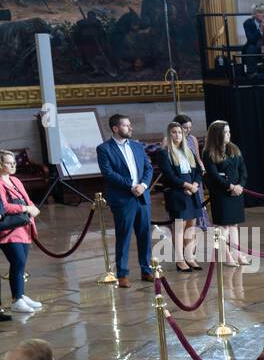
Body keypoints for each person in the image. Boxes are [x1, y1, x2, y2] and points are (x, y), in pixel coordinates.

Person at [95, 113, 153, 288]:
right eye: (127, 125)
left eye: (130, 124)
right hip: (123, 199)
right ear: (116, 128)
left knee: (145, 235)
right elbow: (108, 173)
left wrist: (142, 185)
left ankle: (146, 270)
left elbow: (148, 168)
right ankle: (122, 274)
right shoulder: (104, 149)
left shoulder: (137, 146)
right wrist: (131, 185)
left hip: (142, 196)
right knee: (124, 236)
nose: (131, 128)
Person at [0, 148, 41, 314]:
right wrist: (25, 208)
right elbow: (5, 207)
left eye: (13, 162)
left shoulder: (15, 180)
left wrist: (32, 207)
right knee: (17, 261)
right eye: (8, 162)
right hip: (10, 230)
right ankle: (17, 300)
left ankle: (21, 295)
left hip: (24, 226)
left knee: (21, 263)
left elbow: (27, 198)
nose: (13, 165)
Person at [203, 121, 249, 267]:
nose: (229, 134)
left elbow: (243, 170)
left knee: (234, 225)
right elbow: (213, 175)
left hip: (236, 193)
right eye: (226, 132)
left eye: (229, 131)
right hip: (221, 193)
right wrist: (230, 186)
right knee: (223, 226)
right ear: (217, 134)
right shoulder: (208, 152)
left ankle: (236, 253)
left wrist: (240, 186)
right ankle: (225, 255)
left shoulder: (234, 148)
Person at [160, 121, 204, 273]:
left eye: (179, 132)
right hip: (177, 193)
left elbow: (198, 171)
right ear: (169, 134)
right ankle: (180, 260)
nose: (177, 135)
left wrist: (196, 185)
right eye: (174, 132)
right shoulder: (165, 152)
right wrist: (187, 185)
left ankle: (189, 257)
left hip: (192, 193)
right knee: (179, 228)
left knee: (191, 226)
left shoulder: (188, 151)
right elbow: (169, 176)